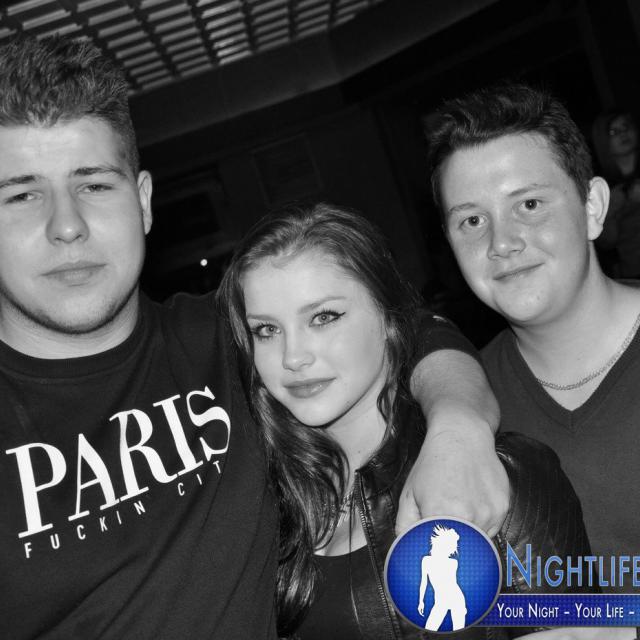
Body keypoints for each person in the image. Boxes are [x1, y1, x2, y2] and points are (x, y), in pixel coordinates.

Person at [0, 35, 510, 639]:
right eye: (23, 194)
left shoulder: (230, 337)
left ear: (142, 201)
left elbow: (413, 326)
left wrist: (458, 429)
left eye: (93, 185)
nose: (66, 226)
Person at [217, 202, 591, 639]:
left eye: (323, 317)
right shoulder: (258, 501)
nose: (293, 357)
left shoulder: (499, 475)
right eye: (266, 330)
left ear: (389, 316)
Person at [428, 83, 640, 640]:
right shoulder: (464, 407)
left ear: (593, 208)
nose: (502, 242)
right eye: (472, 221)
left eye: (529, 205)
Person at [591, 110, 640, 277]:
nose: (623, 134)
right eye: (613, 132)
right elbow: (607, 243)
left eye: (626, 127)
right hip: (633, 272)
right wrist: (612, 210)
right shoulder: (601, 187)